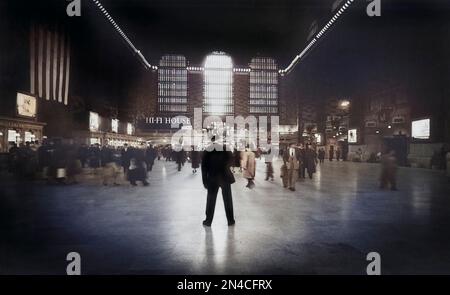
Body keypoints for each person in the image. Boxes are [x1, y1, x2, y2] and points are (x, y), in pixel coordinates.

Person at [201, 136, 235, 226]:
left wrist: (204, 181)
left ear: (211, 141)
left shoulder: (207, 150)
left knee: (211, 200)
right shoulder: (226, 148)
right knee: (228, 199)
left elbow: (203, 167)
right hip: (225, 177)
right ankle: (230, 220)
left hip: (212, 178)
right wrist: (225, 166)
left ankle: (208, 221)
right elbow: (232, 160)